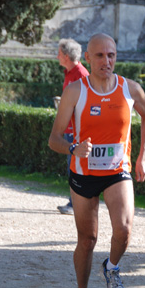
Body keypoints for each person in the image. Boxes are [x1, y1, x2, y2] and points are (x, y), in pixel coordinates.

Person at [49, 33, 145, 288]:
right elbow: (54, 139)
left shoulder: (130, 89)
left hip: (117, 171)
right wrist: (73, 148)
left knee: (124, 228)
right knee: (88, 239)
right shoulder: (75, 91)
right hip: (83, 173)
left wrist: (142, 157)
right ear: (88, 59)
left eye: (112, 55)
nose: (106, 61)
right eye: (100, 56)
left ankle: (113, 267)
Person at [56, 38, 89, 215]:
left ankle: (76, 205)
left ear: (67, 56)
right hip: (70, 129)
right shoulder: (69, 73)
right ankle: (74, 203)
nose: (57, 57)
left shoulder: (81, 74)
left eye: (59, 54)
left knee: (76, 168)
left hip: (78, 130)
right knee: (72, 167)